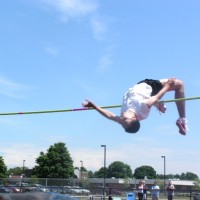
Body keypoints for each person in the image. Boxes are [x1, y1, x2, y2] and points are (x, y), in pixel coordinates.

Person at [82, 78, 188, 135]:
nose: (122, 119)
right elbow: (156, 97)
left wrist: (94, 107)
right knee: (179, 84)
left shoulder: (124, 118)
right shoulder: (142, 109)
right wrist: (168, 85)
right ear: (134, 118)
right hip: (149, 86)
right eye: (125, 121)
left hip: (138, 87)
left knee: (154, 101)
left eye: (122, 123)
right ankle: (182, 120)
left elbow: (109, 115)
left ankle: (159, 105)